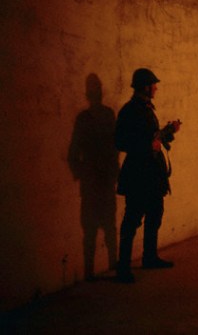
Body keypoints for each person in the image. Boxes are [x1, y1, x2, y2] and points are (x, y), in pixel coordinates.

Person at [115, 68, 181, 283]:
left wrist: (168, 131)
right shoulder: (130, 110)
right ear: (145, 86)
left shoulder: (145, 108)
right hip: (138, 174)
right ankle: (123, 268)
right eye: (153, 84)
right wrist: (147, 144)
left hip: (152, 173)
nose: (156, 88)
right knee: (132, 219)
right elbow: (121, 141)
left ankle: (149, 257)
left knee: (155, 214)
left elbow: (152, 137)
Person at [68, 74, 118, 281]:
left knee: (97, 229)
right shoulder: (105, 116)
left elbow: (74, 153)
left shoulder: (91, 118)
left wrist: (82, 173)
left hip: (98, 181)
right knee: (103, 228)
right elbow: (74, 152)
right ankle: (110, 268)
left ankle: (94, 271)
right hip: (100, 181)